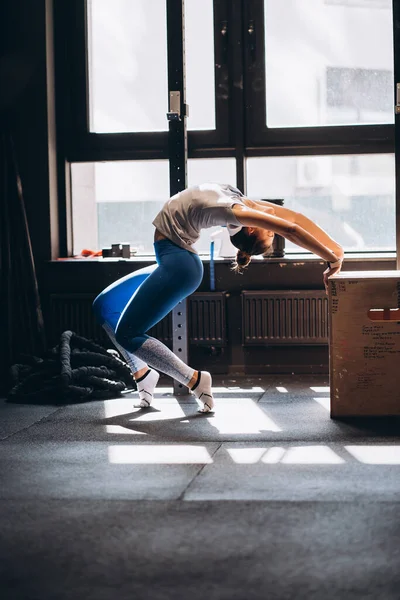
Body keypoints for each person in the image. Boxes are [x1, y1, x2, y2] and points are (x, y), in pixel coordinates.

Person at [93, 183, 343, 413]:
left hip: (179, 265)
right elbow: (294, 218)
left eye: (270, 234)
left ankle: (195, 380)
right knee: (104, 305)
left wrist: (330, 258)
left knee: (128, 333)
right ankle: (142, 374)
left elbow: (290, 229)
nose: (273, 231)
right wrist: (335, 247)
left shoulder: (237, 212)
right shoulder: (242, 203)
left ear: (253, 228)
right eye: (271, 235)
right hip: (171, 260)